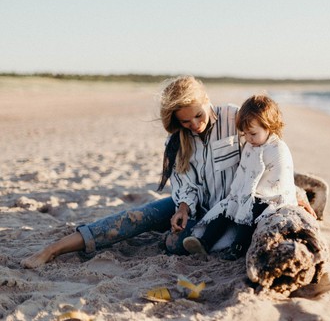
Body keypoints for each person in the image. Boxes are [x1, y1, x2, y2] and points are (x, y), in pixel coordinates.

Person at [21, 75, 242, 268]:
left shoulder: (234, 118)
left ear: (206, 99)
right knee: (136, 216)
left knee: (174, 244)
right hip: (194, 207)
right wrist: (183, 208)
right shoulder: (176, 139)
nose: (194, 124)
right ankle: (53, 249)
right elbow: (185, 184)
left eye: (198, 116)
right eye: (185, 121)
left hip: (229, 212)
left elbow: (267, 151)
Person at [183, 95, 309, 260]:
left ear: (269, 126)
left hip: (269, 199)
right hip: (246, 193)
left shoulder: (277, 149)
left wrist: (249, 198)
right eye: (245, 134)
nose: (248, 138)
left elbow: (280, 180)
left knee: (250, 211)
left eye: (253, 133)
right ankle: (205, 242)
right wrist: (237, 195)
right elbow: (243, 172)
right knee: (225, 209)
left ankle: (238, 248)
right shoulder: (251, 145)